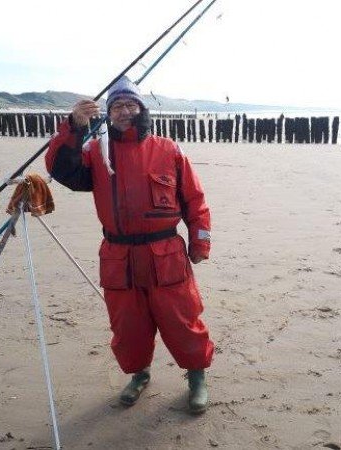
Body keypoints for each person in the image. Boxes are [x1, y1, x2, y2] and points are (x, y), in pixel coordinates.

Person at [45, 76, 214, 414]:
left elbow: (195, 201)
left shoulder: (169, 149)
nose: (124, 111)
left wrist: (200, 243)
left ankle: (197, 378)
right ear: (108, 114)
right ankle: (139, 374)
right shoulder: (96, 151)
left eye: (130, 104)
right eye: (117, 106)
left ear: (141, 108)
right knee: (128, 327)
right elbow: (63, 170)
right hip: (118, 257)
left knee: (183, 320)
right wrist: (73, 127)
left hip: (165, 256)